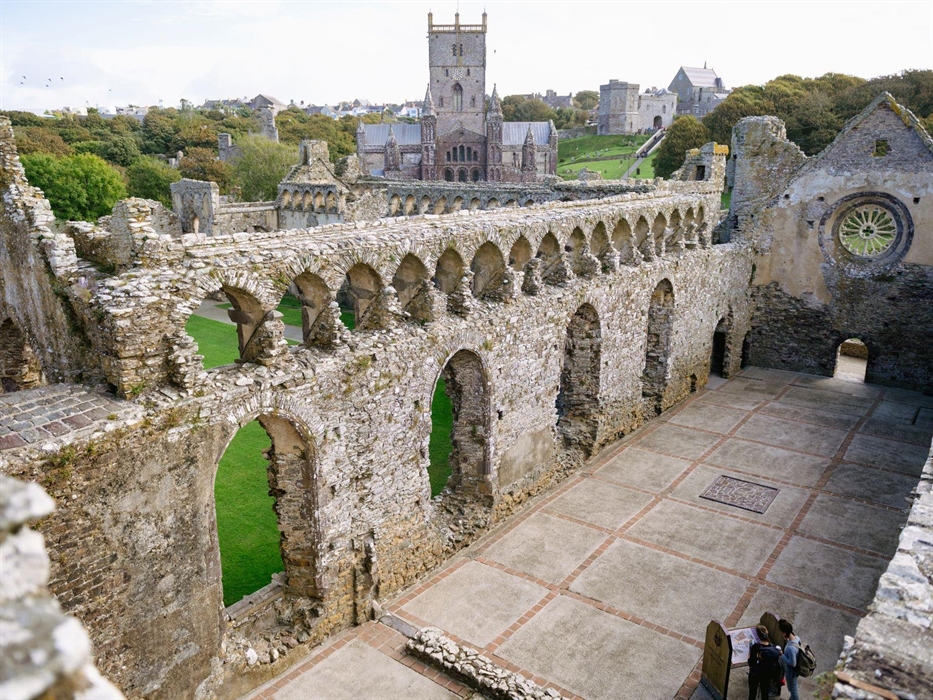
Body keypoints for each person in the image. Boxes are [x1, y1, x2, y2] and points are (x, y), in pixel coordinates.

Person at [748, 625, 782, 700]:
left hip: (755, 673)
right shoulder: (773, 647)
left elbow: (751, 662)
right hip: (767, 674)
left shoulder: (756, 647)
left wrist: (749, 656)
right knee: (765, 692)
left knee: (752, 693)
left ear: (758, 635)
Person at [779, 618, 802, 700]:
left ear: (784, 633)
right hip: (795, 671)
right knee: (792, 688)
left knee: (793, 690)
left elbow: (793, 663)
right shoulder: (797, 638)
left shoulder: (790, 648)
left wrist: (782, 655)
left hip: (791, 672)